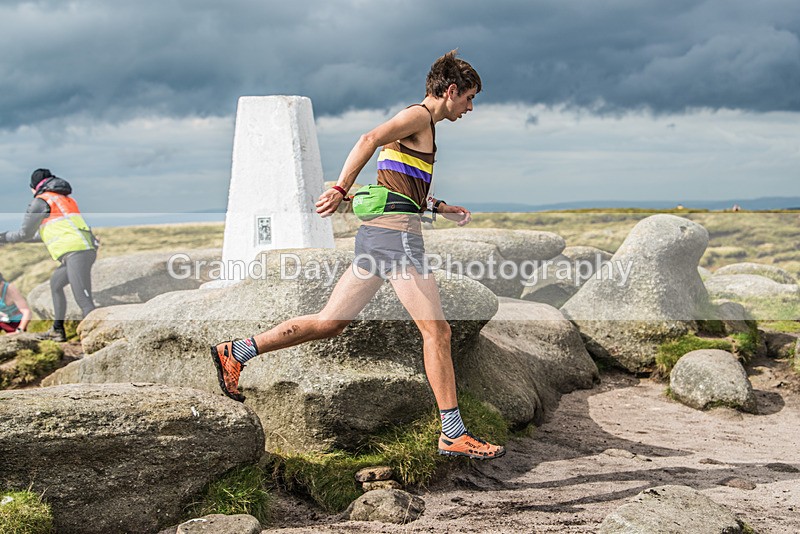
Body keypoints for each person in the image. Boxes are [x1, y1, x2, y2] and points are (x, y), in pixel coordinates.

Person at [211, 50, 504, 460]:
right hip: (397, 242)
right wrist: (341, 188)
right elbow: (369, 139)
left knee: (329, 323)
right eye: (469, 98)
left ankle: (236, 352)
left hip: (376, 239)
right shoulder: (419, 117)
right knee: (438, 333)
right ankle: (452, 433)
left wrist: (439, 207)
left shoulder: (424, 127)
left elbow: (399, 186)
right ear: (451, 91)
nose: (470, 107)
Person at [0, 169, 98, 342]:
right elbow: (48, 233)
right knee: (56, 284)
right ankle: (57, 330)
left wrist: (4, 237)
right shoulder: (64, 199)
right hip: (80, 250)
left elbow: (25, 233)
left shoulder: (40, 201)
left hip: (76, 252)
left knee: (83, 299)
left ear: (34, 186)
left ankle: (94, 341)